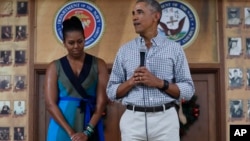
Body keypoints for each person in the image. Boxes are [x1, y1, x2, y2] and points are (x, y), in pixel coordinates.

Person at [106, 0, 195, 141]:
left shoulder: (174, 49)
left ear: (156, 16)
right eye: (133, 13)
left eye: (140, 12)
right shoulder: (125, 50)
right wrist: (131, 82)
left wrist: (160, 83)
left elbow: (188, 90)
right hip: (133, 121)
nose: (134, 17)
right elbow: (111, 91)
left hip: (165, 121)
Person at [44, 16, 108, 141]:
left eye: (80, 41)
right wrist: (72, 133)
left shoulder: (99, 64)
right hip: (61, 126)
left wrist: (87, 132)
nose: (76, 46)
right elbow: (50, 104)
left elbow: (101, 103)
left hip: (90, 125)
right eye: (71, 43)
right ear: (64, 43)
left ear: (85, 39)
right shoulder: (54, 67)